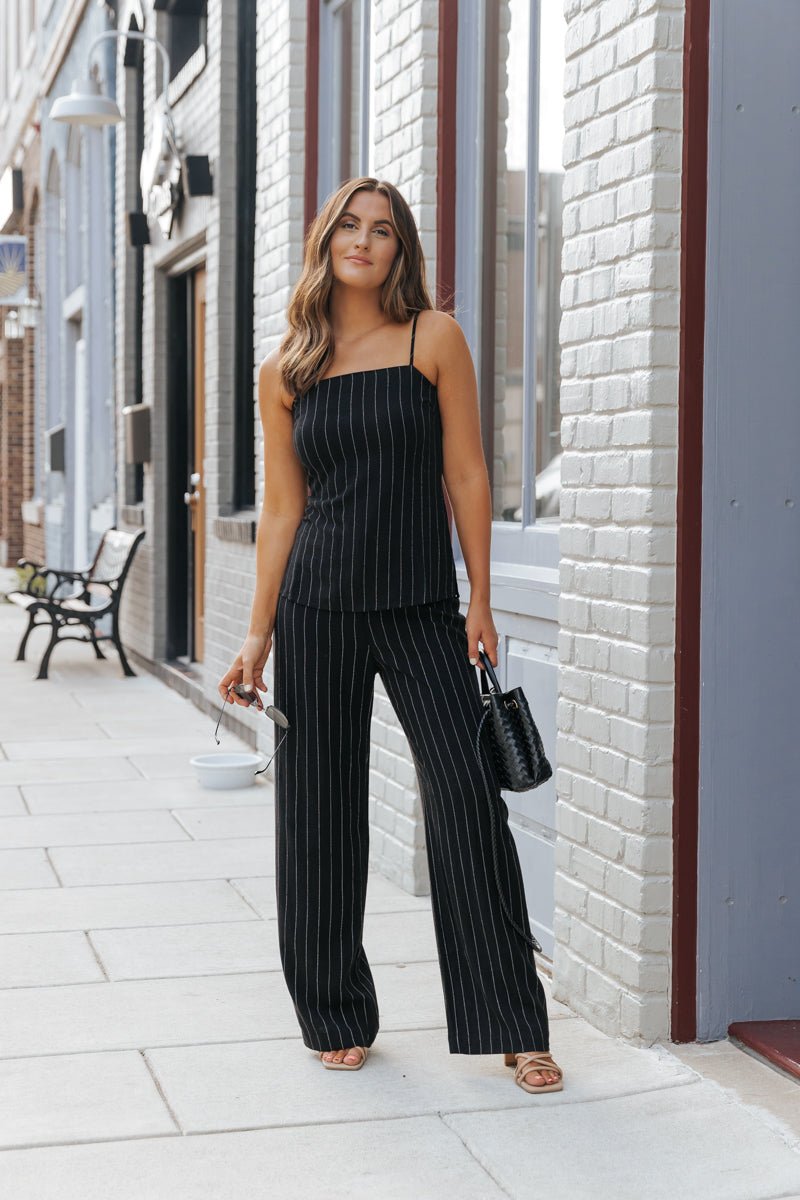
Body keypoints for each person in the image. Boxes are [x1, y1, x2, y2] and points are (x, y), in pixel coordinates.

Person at [218, 176, 563, 1095]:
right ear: (326, 240)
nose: (364, 241)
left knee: (465, 797)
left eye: (383, 230)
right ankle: (335, 1012)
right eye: (350, 226)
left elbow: (466, 473)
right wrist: (258, 636)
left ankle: (512, 1023)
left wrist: (481, 598)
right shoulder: (287, 369)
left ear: (399, 250)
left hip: (418, 608)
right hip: (318, 610)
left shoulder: (432, 339)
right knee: (319, 815)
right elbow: (285, 512)